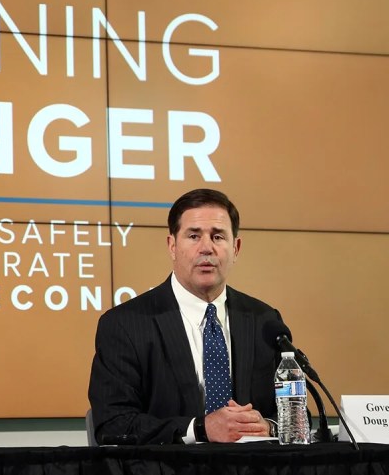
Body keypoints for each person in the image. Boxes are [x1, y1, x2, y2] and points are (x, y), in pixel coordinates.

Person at [88, 188, 283, 445]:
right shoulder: (125, 324)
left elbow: (293, 410)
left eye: (218, 236)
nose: (207, 248)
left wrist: (268, 426)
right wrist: (200, 429)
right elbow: (113, 423)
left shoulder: (264, 321)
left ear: (235, 247)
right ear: (172, 245)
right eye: (193, 236)